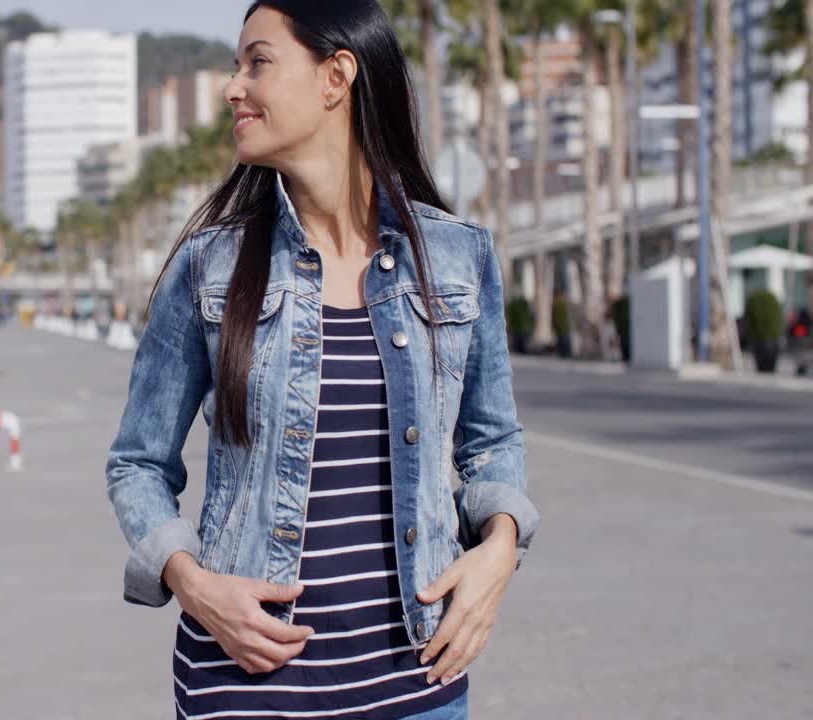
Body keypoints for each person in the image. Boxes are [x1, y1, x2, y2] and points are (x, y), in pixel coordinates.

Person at [104, 2, 540, 718]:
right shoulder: (208, 267)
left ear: (336, 75)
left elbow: (492, 443)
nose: (232, 87)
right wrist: (195, 586)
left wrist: (500, 549)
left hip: (419, 690)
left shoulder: (458, 259)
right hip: (246, 690)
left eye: (258, 62)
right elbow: (138, 462)